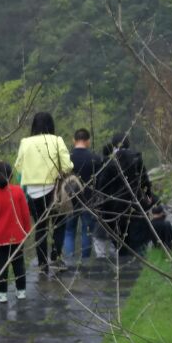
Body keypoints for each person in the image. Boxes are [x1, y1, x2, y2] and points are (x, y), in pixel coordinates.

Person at [14, 112, 73, 274]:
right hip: (54, 191)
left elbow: (18, 166)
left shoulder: (25, 143)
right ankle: (56, 256)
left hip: (32, 193)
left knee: (40, 227)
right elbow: (67, 166)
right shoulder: (56, 140)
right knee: (59, 223)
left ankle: (42, 263)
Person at [94, 131, 152, 256]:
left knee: (119, 240)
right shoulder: (137, 158)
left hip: (113, 208)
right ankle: (138, 263)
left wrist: (100, 205)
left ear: (113, 144)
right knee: (136, 238)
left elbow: (101, 186)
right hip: (134, 204)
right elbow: (145, 181)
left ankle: (123, 261)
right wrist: (148, 197)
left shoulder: (109, 162)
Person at [0, 161, 32, 302]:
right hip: (17, 235)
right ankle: (21, 291)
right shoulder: (18, 191)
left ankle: (2, 293)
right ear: (11, 176)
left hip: (0, 237)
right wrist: (26, 231)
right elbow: (25, 213)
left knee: (1, 264)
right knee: (18, 263)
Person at [62, 128, 101, 262]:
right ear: (88, 141)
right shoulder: (95, 158)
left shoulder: (67, 158)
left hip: (69, 200)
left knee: (69, 231)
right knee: (87, 231)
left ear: (74, 140)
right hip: (89, 200)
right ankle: (84, 262)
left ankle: (69, 262)